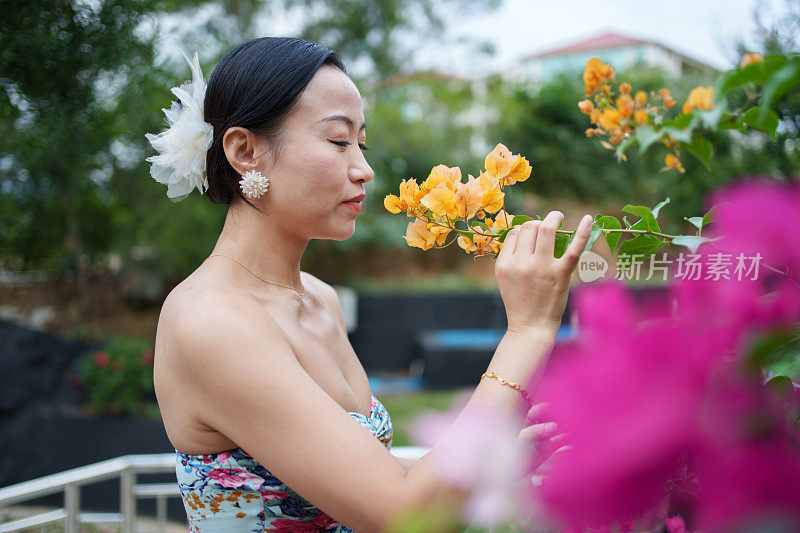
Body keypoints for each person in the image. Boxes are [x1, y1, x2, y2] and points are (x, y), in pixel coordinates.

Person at [148, 36, 594, 532]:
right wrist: (528, 331)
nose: (364, 169)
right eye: (339, 141)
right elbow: (399, 513)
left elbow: (354, 480)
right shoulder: (210, 321)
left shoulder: (321, 299)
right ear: (245, 150)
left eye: (361, 144)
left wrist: (489, 470)